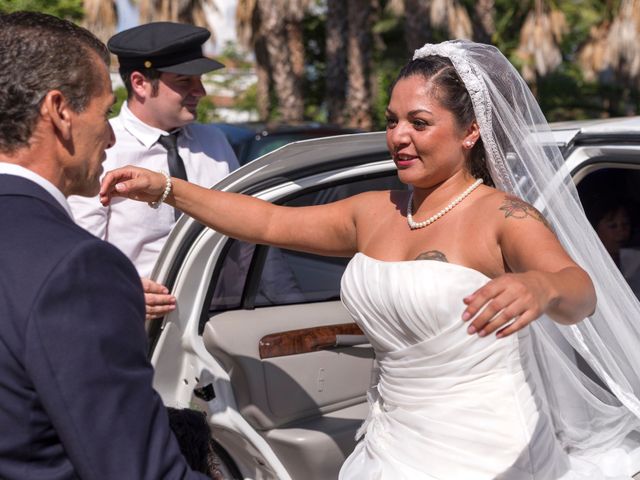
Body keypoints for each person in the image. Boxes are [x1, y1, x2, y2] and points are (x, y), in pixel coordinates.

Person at [99, 40, 640, 478]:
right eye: (392, 120)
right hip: (391, 441)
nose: (398, 137)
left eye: (419, 123)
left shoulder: (504, 215)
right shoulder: (373, 211)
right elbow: (265, 221)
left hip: (487, 446)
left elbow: (579, 289)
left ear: (470, 131)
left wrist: (540, 288)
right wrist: (165, 187)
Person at [0, 12, 210, 479]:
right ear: (59, 111)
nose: (111, 134)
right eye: (102, 111)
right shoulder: (78, 267)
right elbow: (136, 469)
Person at [68, 21, 240, 320]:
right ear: (139, 83)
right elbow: (81, 250)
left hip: (220, 316)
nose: (200, 91)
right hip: (137, 324)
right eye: (184, 81)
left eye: (199, 80)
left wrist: (283, 298)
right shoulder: (103, 148)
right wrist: (120, 291)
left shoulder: (214, 142)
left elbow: (249, 234)